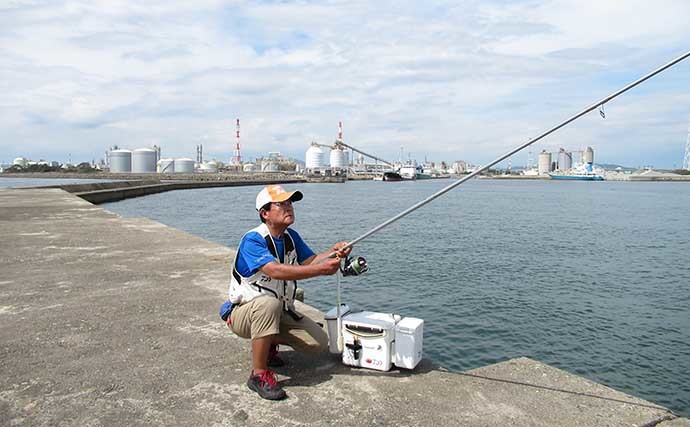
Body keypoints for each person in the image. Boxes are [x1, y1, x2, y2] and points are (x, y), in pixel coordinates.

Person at [226, 184, 351, 400]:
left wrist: (333, 251)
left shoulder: (290, 237)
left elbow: (311, 261)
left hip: (276, 311)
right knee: (269, 304)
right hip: (243, 313)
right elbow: (274, 271)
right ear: (265, 213)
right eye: (281, 203)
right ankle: (258, 374)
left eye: (290, 203)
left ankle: (269, 346)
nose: (289, 207)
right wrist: (320, 270)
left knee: (318, 343)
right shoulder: (253, 240)